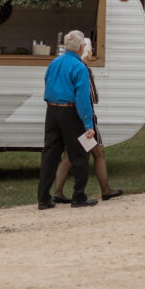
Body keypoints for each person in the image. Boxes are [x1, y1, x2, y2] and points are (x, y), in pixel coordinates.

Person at [51, 36, 123, 201]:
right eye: (90, 50)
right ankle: (105, 190)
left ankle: (57, 192)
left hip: (68, 117)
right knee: (98, 152)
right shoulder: (84, 69)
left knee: (69, 154)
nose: (92, 53)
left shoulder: (63, 65)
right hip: (85, 119)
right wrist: (88, 122)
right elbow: (89, 97)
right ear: (84, 51)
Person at [38, 30, 97, 209]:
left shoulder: (54, 63)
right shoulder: (79, 67)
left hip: (52, 111)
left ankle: (43, 198)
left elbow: (46, 81)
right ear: (81, 48)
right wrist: (88, 124)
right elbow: (82, 99)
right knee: (81, 154)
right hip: (71, 113)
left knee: (50, 154)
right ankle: (78, 195)